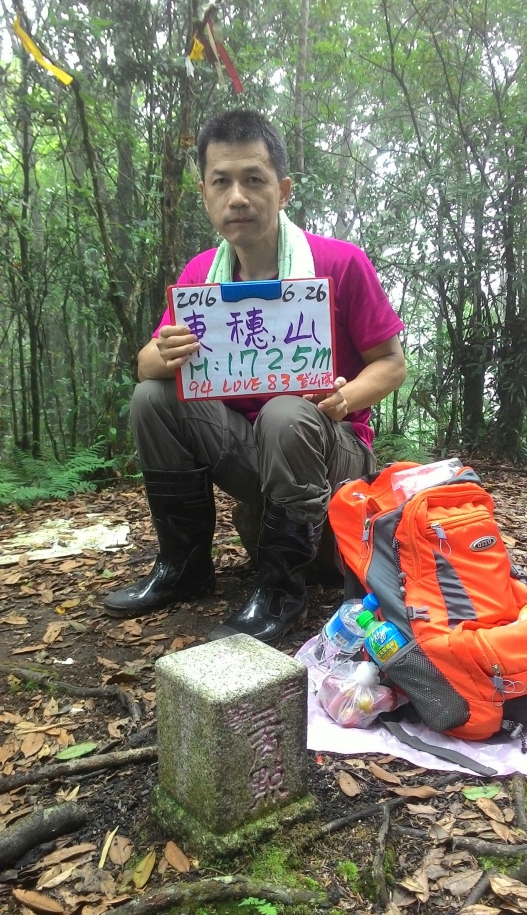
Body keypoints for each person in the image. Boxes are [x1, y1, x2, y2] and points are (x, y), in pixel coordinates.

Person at [104, 109, 406, 643]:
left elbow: (392, 364)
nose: (237, 197)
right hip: (249, 451)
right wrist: (162, 353)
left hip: (331, 451)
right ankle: (184, 566)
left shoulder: (339, 263)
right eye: (221, 182)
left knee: (286, 412)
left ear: (283, 190)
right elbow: (147, 363)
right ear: (204, 193)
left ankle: (281, 589)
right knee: (151, 397)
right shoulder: (202, 275)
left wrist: (345, 398)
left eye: (254, 180)